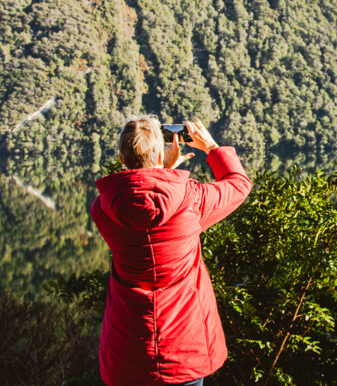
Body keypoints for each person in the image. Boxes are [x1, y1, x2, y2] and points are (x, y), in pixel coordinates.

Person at [91, 116, 252, 385]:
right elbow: (238, 184)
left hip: (128, 352)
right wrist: (211, 148)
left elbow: (142, 199)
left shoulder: (104, 209)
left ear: (121, 157)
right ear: (159, 152)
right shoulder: (190, 199)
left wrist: (159, 171)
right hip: (185, 349)